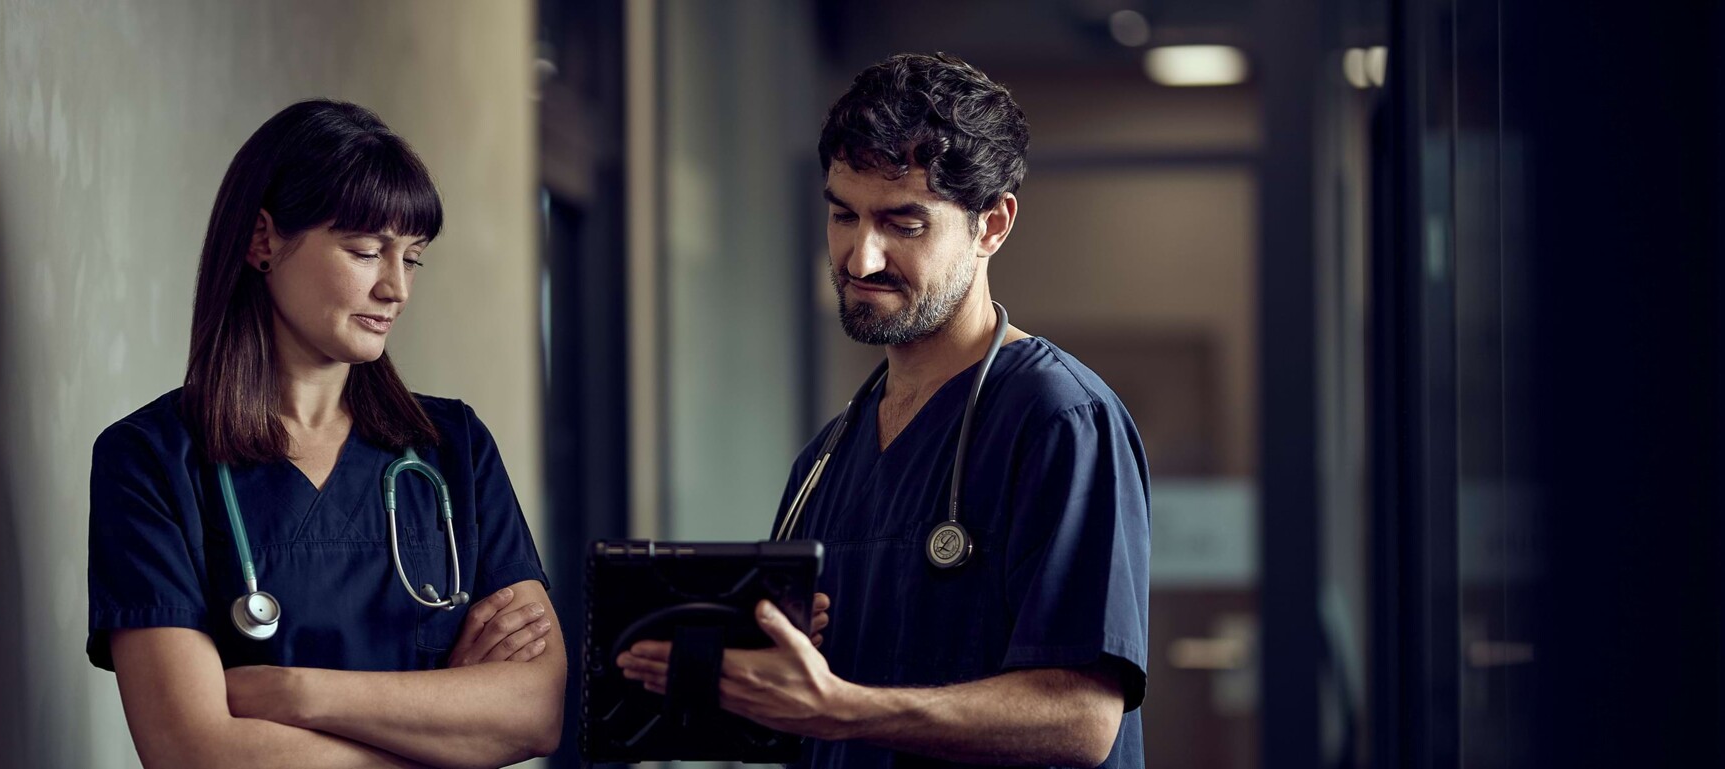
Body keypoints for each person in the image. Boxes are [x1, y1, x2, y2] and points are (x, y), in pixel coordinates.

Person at [619, 53, 1151, 768]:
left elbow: (1082, 719)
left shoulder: (1058, 419)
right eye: (843, 215)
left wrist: (840, 708)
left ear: (991, 225)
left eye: (904, 223)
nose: (860, 259)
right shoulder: (827, 459)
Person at [86, 99, 563, 768]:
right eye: (366, 250)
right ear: (264, 241)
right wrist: (445, 729)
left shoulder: (452, 446)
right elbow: (192, 749)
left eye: (413, 258)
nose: (395, 286)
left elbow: (536, 709)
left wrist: (295, 692)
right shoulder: (150, 461)